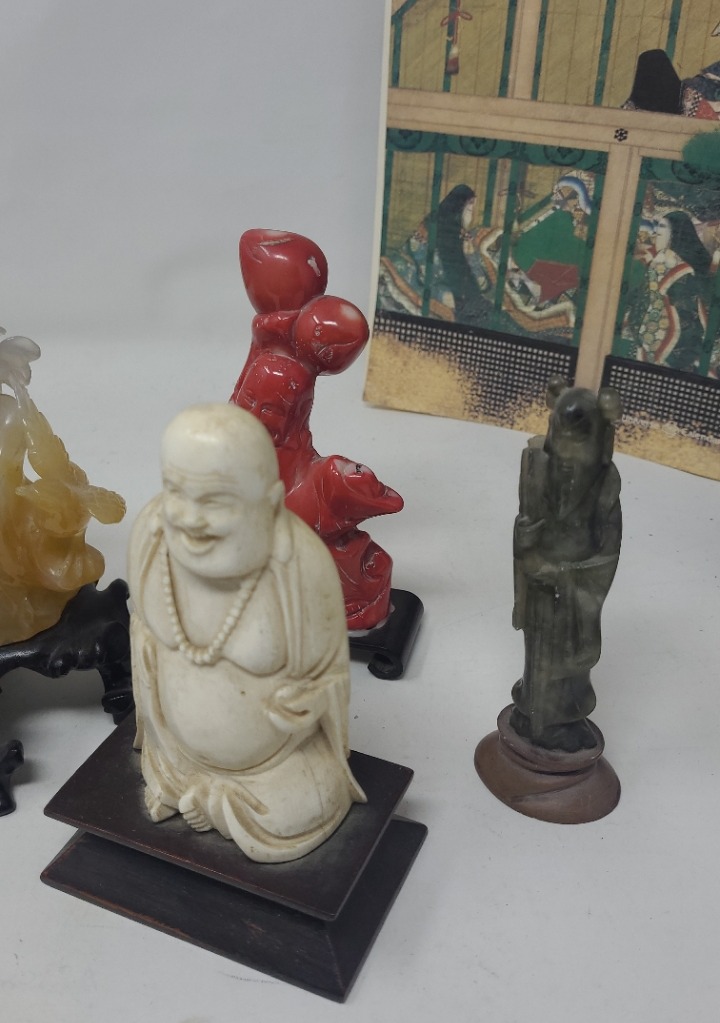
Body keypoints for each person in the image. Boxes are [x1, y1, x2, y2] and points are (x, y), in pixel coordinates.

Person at [129, 403, 366, 863]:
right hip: (175, 751)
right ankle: (191, 786)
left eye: (215, 501)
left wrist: (313, 700)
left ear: (270, 503)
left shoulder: (298, 565)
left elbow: (330, 677)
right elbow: (143, 643)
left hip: (274, 766)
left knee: (307, 802)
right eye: (176, 491)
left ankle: (214, 801)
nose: (190, 518)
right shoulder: (152, 539)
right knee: (161, 768)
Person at [510, 379, 622, 753]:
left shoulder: (605, 484)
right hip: (540, 585)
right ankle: (532, 717)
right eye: (562, 440)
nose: (568, 453)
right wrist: (523, 542)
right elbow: (524, 525)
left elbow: (608, 553)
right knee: (538, 655)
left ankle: (558, 722)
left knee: (569, 662)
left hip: (575, 585)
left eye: (579, 443)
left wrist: (565, 575)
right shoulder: (538, 468)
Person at [635, 210, 710, 371]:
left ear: (675, 233)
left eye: (662, 227)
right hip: (687, 337)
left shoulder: (668, 260)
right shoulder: (672, 262)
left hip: (672, 334)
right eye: (657, 226)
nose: (657, 232)